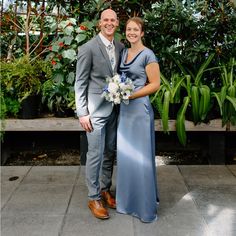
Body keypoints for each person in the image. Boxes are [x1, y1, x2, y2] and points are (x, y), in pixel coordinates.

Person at [74, 9, 124, 220]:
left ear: (117, 23)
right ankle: (93, 197)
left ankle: (105, 189)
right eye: (105, 20)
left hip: (114, 109)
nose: (109, 23)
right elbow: (80, 82)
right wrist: (82, 113)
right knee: (95, 153)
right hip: (94, 112)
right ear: (99, 23)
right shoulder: (88, 48)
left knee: (110, 152)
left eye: (112, 20)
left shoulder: (120, 47)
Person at [116, 17, 161, 223]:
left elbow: (155, 85)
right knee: (126, 157)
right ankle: (127, 203)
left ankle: (145, 208)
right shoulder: (124, 52)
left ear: (142, 33)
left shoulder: (148, 54)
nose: (131, 32)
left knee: (141, 159)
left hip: (140, 111)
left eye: (136, 29)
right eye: (128, 29)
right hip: (125, 113)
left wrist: (131, 95)